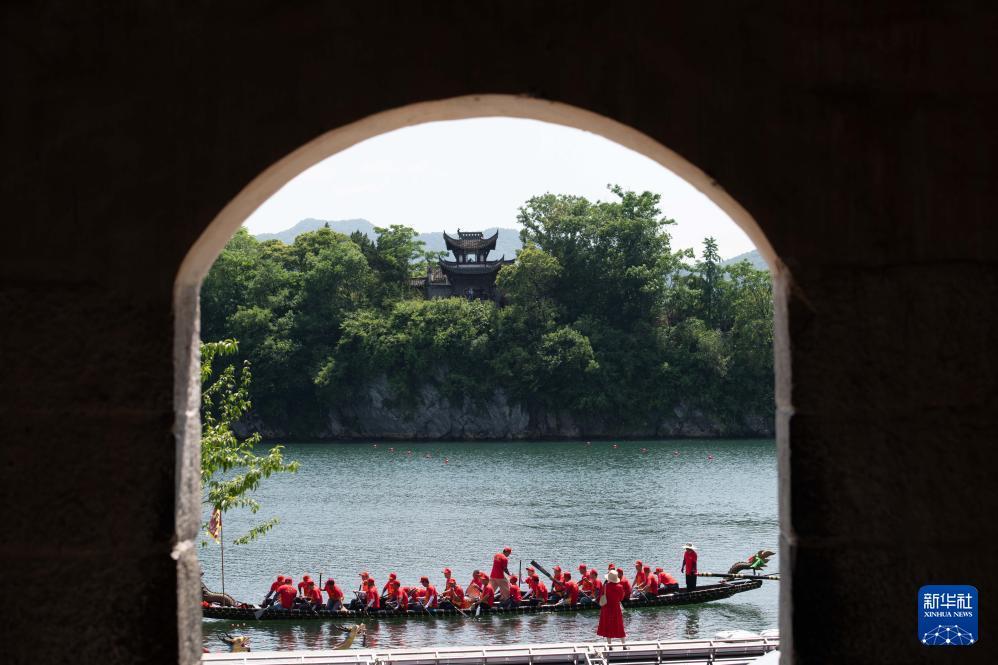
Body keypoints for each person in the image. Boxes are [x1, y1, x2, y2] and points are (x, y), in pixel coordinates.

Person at [596, 569, 626, 646]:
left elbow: (600, 597)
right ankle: (624, 645)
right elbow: (621, 598)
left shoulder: (605, 586)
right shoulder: (620, 587)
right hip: (616, 609)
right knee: (619, 626)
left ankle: (610, 646)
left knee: (608, 626)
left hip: (606, 609)